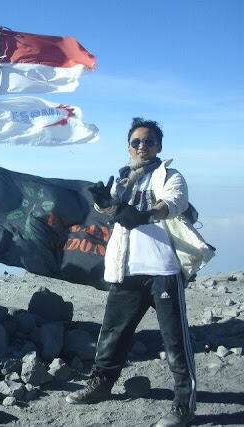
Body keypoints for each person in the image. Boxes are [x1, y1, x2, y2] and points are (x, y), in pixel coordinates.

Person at [65, 118, 214, 426]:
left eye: (148, 142)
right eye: (136, 142)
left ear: (159, 146)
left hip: (164, 270)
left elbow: (171, 205)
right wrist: (106, 205)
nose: (142, 147)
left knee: (175, 341)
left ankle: (183, 406)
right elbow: (116, 217)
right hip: (128, 268)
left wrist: (144, 215)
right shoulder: (122, 181)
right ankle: (101, 384)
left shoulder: (170, 176)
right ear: (128, 147)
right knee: (112, 335)